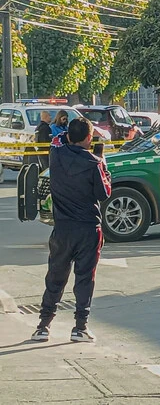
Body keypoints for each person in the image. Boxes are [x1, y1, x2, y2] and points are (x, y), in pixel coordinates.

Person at [31, 117, 111, 343]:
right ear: (89, 138)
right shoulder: (94, 164)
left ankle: (43, 325)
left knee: (55, 277)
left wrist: (68, 137)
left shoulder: (56, 155)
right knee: (85, 278)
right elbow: (104, 193)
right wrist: (103, 163)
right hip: (88, 228)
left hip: (62, 228)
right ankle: (80, 327)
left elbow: (57, 139)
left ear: (68, 136)